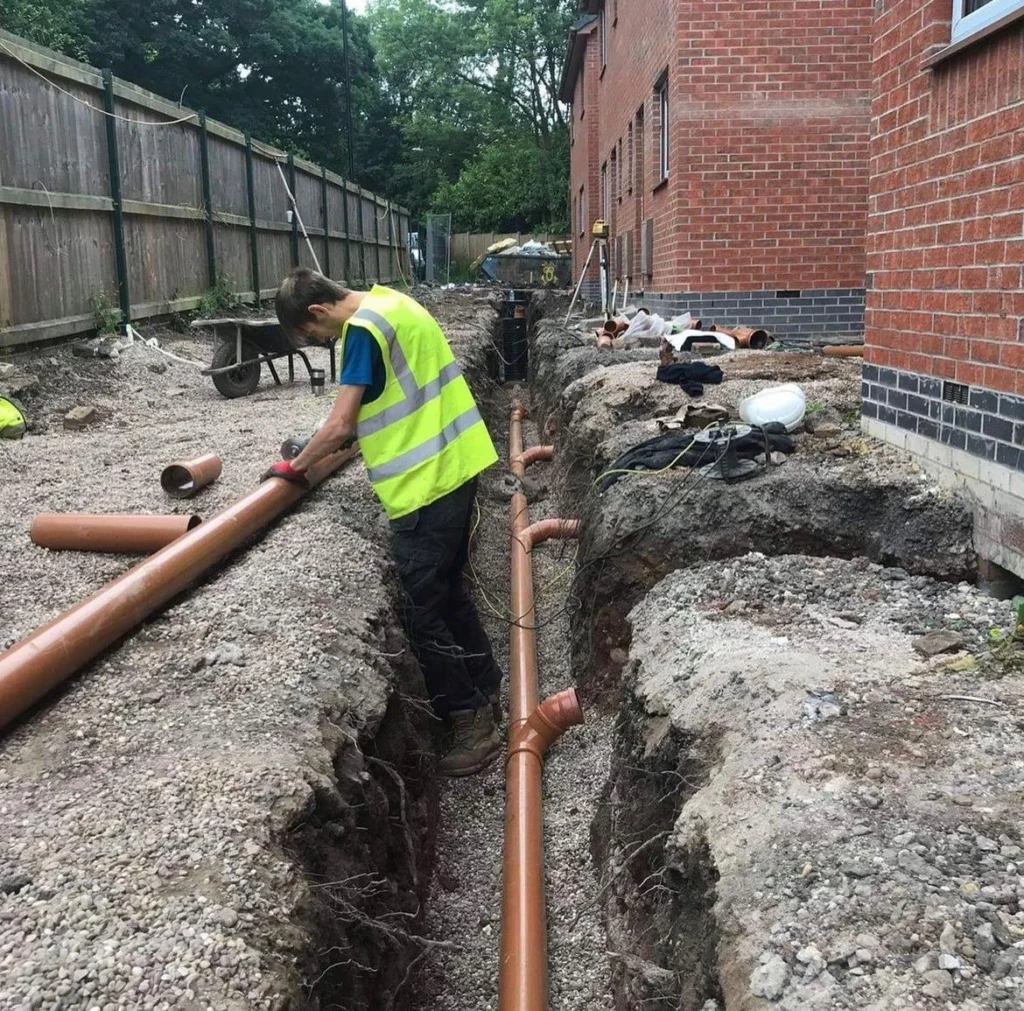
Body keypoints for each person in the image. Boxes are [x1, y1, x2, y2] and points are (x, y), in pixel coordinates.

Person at [266, 269, 503, 776]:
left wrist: (296, 466)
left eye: (314, 337)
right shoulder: (392, 304)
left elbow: (342, 423)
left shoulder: (362, 333)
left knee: (422, 612)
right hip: (458, 466)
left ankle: (471, 722)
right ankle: (486, 687)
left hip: (424, 487)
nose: (322, 342)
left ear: (317, 311)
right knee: (449, 591)